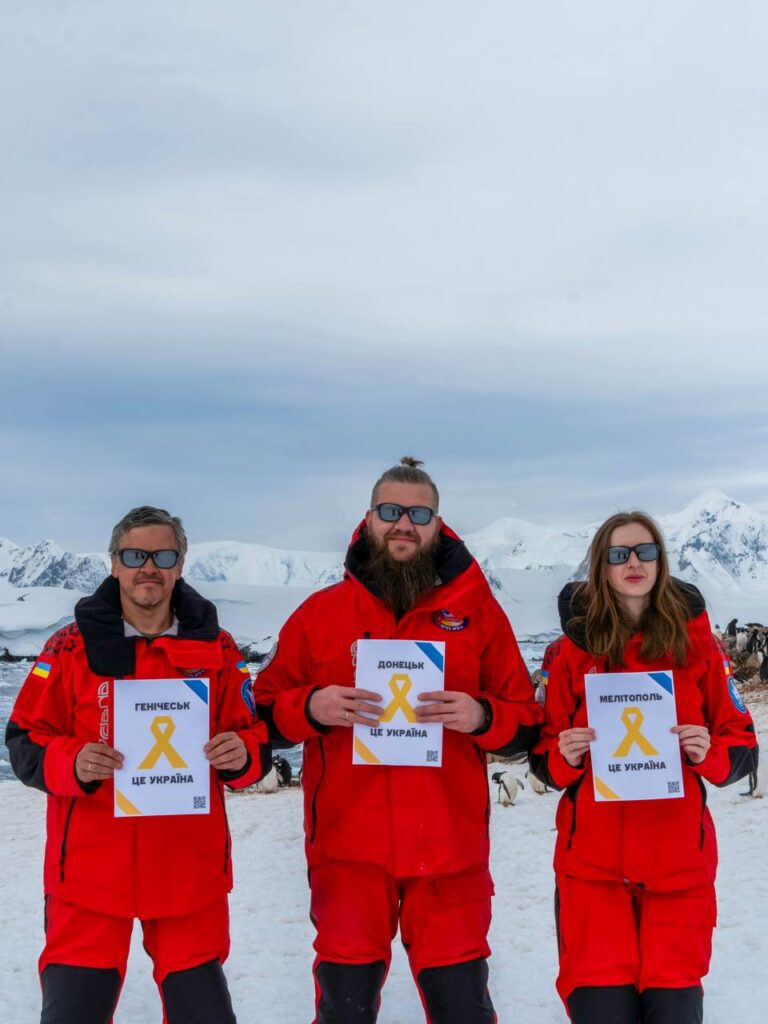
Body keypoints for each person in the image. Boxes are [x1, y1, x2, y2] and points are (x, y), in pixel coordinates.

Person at [254, 457, 542, 1024]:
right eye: (390, 512)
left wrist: (482, 716)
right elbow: (260, 715)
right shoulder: (319, 615)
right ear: (368, 519)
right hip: (347, 854)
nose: (403, 524)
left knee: (463, 1009)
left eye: (418, 513)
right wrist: (311, 706)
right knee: (345, 1010)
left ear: (438, 524)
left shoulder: (478, 616)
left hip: (450, 854)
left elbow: (528, 721)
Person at [6, 506, 270, 1024]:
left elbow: (253, 737)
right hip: (88, 877)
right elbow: (23, 741)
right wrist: (73, 760)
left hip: (188, 878)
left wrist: (243, 755)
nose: (149, 567)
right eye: (135, 555)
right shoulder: (68, 646)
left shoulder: (217, 649)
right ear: (113, 564)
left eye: (163, 555)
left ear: (180, 565)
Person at [530, 511, 759, 1024]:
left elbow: (744, 748)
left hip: (678, 870)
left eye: (645, 551)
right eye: (618, 554)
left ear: (661, 560)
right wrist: (563, 756)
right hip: (592, 872)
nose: (633, 562)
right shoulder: (570, 655)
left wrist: (708, 751)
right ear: (601, 568)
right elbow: (542, 758)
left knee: (673, 1011)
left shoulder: (699, 647)